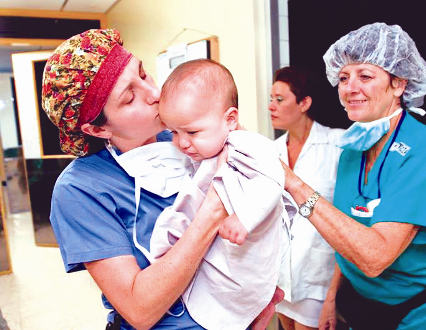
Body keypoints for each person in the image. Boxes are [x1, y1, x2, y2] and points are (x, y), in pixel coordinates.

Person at [41, 29, 282, 330]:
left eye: (143, 73)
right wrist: (214, 208)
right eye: (130, 98)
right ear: (97, 129)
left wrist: (257, 296)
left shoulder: (192, 136)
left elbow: (267, 191)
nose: (154, 93)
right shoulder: (81, 189)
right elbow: (140, 311)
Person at [281, 22, 426, 330]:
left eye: (366, 76)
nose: (350, 87)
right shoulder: (351, 150)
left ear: (398, 84)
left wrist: (294, 184)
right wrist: (332, 297)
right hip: (361, 307)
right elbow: (348, 232)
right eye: (343, 77)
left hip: (418, 311)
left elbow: (374, 257)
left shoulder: (424, 150)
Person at [150, 59, 291, 330]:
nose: (182, 142)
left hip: (246, 240)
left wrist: (244, 218)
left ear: (230, 119)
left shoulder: (246, 145)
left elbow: (272, 179)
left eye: (191, 131)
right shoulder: (205, 150)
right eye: (174, 132)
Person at [268, 66, 344, 330]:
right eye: (271, 99)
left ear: (304, 103)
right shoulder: (271, 151)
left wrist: (333, 298)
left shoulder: (338, 145)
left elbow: (347, 221)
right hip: (281, 278)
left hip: (318, 277)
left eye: (280, 99)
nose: (271, 106)